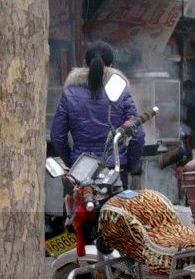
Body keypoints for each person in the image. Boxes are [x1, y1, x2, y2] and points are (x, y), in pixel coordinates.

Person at [50, 40, 145, 189]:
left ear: (85, 64)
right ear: (112, 64)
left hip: (80, 171)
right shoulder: (121, 91)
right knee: (113, 212)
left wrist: (72, 162)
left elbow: (57, 136)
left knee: (77, 212)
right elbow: (138, 135)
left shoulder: (69, 93)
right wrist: (131, 164)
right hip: (115, 172)